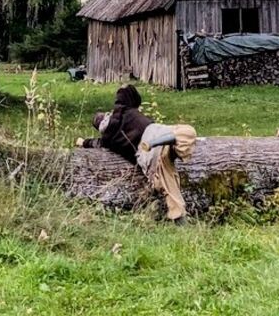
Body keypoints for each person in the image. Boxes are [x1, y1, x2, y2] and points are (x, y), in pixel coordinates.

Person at [80, 84, 196, 223]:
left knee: (168, 186)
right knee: (187, 132)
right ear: (106, 114)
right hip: (155, 133)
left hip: (146, 155)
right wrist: (122, 87)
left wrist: (83, 142)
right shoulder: (123, 110)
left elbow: (94, 143)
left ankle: (180, 220)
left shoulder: (108, 140)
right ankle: (165, 143)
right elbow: (130, 93)